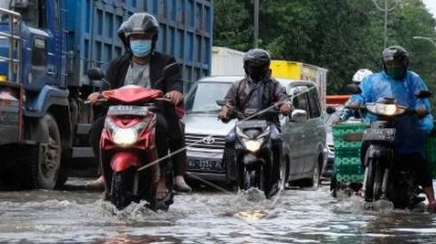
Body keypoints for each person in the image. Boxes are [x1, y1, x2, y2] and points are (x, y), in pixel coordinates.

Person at [86, 12, 191, 196]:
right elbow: (106, 87)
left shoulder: (166, 62)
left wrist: (174, 92)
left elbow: (175, 82)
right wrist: (98, 94)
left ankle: (166, 178)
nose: (140, 41)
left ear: (153, 39)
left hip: (152, 111)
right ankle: (103, 173)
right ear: (128, 40)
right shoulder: (117, 64)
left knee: (163, 127)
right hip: (120, 113)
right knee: (97, 128)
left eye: (144, 37)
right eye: (135, 37)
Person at [347, 46, 436, 211]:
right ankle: (359, 185)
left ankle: (432, 199)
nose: (394, 66)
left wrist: (421, 107)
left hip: (406, 126)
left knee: (418, 159)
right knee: (364, 145)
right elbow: (360, 95)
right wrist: (356, 102)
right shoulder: (372, 80)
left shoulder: (413, 79)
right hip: (378, 122)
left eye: (397, 63)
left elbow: (422, 99)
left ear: (405, 63)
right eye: (390, 63)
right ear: (384, 64)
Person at [217, 48, 292, 192]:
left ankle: (275, 180)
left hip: (268, 125)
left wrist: (285, 106)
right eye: (252, 66)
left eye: (258, 67)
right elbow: (228, 102)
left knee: (277, 141)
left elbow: (284, 99)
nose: (254, 69)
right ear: (246, 67)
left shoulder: (274, 85)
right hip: (243, 125)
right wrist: (224, 111)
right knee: (229, 140)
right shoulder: (238, 85)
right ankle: (231, 177)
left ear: (266, 67)